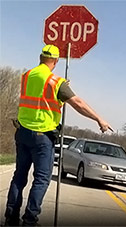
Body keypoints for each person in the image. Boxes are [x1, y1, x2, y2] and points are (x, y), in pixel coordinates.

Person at [4, 44, 113, 226]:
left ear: (40, 58)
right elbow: (78, 103)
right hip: (42, 136)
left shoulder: (27, 76)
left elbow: (39, 96)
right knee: (41, 179)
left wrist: (61, 89)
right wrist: (99, 119)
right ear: (55, 61)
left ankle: (10, 218)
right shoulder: (56, 82)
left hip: (22, 133)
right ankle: (29, 221)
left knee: (19, 176)